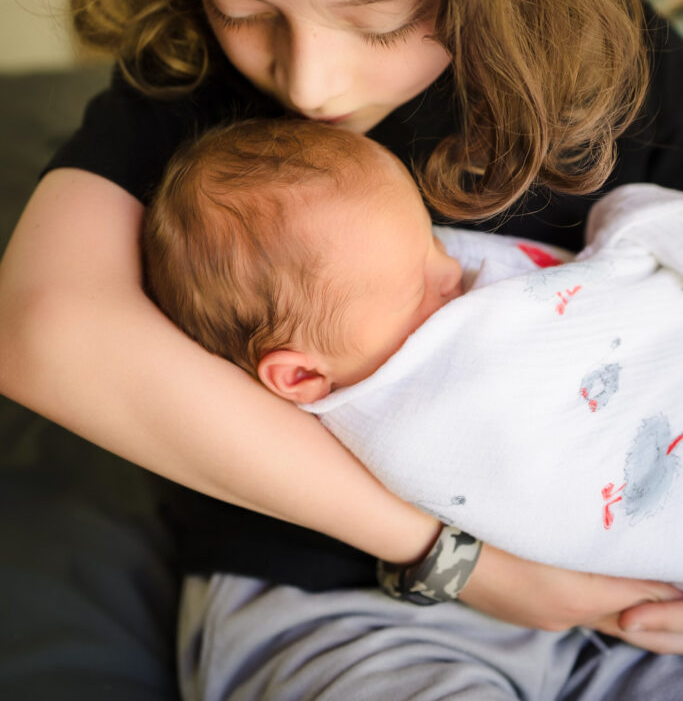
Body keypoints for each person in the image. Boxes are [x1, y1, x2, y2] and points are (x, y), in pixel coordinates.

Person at [1, 0, 683, 697]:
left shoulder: (615, 65)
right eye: (240, 5)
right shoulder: (192, 83)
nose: (307, 82)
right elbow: (43, 330)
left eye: (378, 13)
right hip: (343, 592)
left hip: (629, 577)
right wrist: (467, 564)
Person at [143, 117, 683, 585]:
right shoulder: (414, 423)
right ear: (301, 375)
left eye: (432, 240)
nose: (453, 270)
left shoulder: (374, 279)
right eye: (415, 286)